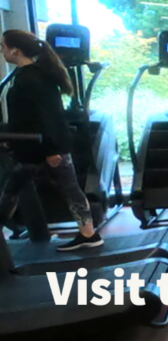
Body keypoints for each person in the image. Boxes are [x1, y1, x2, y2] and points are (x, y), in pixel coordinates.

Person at [0, 29, 97, 251]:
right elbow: (26, 117)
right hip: (34, 147)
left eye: (3, 46)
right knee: (14, 189)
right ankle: (89, 234)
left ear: (15, 50)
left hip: (44, 148)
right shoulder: (29, 76)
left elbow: (47, 117)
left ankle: (89, 234)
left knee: (15, 190)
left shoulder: (32, 79)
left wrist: (51, 150)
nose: (2, 51)